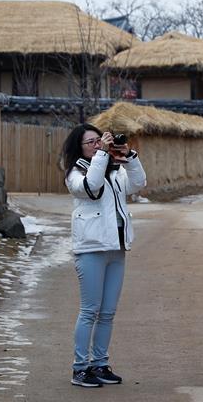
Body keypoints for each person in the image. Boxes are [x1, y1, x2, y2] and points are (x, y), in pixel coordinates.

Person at [60, 123, 146, 388]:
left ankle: (99, 363)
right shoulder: (75, 173)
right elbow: (91, 186)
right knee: (89, 311)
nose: (98, 145)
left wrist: (129, 157)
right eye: (92, 142)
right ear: (80, 147)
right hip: (91, 249)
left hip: (116, 248)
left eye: (100, 140)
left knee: (108, 313)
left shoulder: (114, 170)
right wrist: (101, 155)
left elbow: (138, 183)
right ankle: (80, 368)